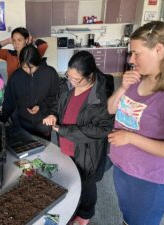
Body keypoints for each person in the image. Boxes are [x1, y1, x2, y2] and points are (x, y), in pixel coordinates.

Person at [107, 21, 164, 225]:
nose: (131, 59)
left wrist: (130, 138)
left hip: (151, 180)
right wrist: (122, 88)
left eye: (136, 53)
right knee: (129, 218)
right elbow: (111, 109)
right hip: (124, 168)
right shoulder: (137, 78)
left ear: (159, 49)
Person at [43, 51, 114, 225]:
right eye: (69, 76)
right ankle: (75, 207)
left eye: (77, 79)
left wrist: (63, 130)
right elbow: (58, 106)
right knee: (71, 180)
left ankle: (85, 215)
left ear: (90, 76)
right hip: (67, 145)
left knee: (87, 184)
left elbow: (100, 130)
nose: (71, 81)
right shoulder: (68, 87)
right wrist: (53, 114)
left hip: (87, 151)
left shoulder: (100, 96)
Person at [0, 45, 59, 139]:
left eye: (31, 67)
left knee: (44, 150)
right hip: (22, 123)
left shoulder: (50, 73)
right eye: (24, 67)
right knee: (24, 149)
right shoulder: (16, 76)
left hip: (43, 123)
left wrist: (42, 107)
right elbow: (9, 100)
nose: (27, 71)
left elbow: (55, 97)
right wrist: (2, 120)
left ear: (38, 62)